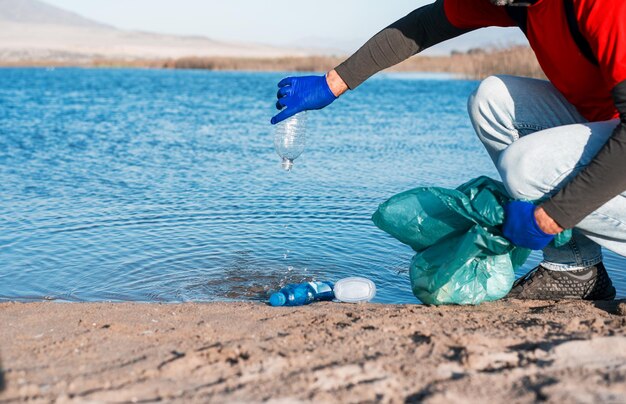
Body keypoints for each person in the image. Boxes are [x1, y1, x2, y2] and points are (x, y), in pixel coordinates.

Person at [271, 0, 626, 300]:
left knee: (525, 166)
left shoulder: (603, 6)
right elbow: (427, 24)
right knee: (492, 99)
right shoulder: (516, 3)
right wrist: (333, 84)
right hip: (609, 131)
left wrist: (550, 216)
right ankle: (576, 270)